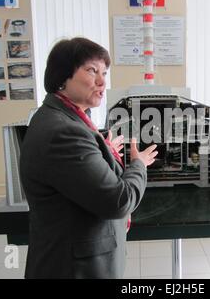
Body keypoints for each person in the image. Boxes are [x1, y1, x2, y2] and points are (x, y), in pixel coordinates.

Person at [19, 37, 158, 279]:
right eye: (92, 71)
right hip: (74, 269)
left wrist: (102, 151)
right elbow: (118, 201)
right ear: (62, 77)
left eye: (104, 72)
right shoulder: (64, 132)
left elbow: (75, 171)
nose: (102, 81)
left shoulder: (61, 116)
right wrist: (139, 165)